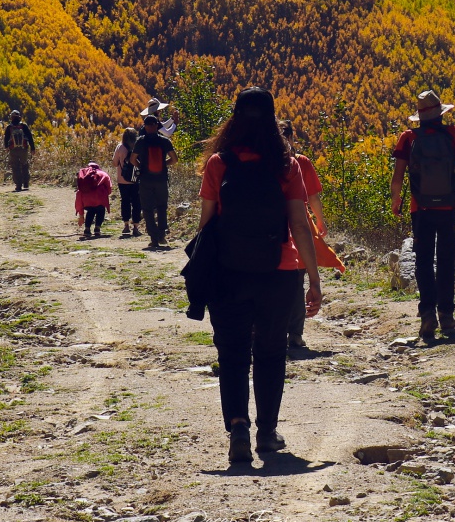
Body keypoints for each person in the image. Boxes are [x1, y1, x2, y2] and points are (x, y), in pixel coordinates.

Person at [197, 87, 322, 465]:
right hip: (278, 271)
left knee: (232, 353)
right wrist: (314, 278)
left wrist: (202, 274)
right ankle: (267, 433)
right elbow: (300, 225)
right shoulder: (287, 165)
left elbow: (205, 226)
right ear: (272, 120)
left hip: (228, 273)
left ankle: (238, 427)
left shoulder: (219, 163)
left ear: (234, 119)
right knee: (270, 353)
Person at [390, 89, 455, 341]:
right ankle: (447, 315)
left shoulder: (408, 137)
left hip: (421, 208)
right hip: (450, 207)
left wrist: (396, 200)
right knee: (447, 260)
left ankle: (427, 313)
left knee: (424, 261)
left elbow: (398, 177)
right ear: (441, 113)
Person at [279, 120, 341, 354]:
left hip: (272, 226)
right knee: (297, 282)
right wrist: (320, 220)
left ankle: (268, 330)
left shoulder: (269, 161)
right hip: (299, 227)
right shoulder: (301, 162)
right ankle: (295, 335)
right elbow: (312, 196)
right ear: (292, 138)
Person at [133, 116, 177, 249]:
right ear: (157, 126)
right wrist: (164, 165)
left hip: (146, 179)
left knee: (147, 209)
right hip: (161, 179)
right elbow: (174, 159)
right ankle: (162, 234)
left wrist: (141, 166)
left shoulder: (141, 141)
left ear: (145, 126)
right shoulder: (164, 141)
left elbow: (132, 159)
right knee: (162, 206)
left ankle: (154, 238)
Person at [113, 126, 142, 237]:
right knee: (136, 202)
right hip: (136, 180)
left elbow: (115, 163)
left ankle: (126, 225)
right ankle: (136, 226)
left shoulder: (120, 147)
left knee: (125, 201)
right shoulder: (138, 147)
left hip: (122, 180)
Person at [74, 161, 113, 239]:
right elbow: (109, 187)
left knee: (90, 211)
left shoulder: (84, 175)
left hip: (86, 199)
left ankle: (87, 229)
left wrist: (81, 215)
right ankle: (97, 228)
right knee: (101, 211)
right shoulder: (103, 174)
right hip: (100, 197)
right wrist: (106, 194)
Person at [4, 110, 36, 191]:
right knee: (24, 165)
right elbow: (29, 137)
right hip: (23, 149)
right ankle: (26, 182)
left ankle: (18, 185)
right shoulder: (24, 126)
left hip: (13, 149)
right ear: (19, 117)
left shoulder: (9, 127)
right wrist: (32, 148)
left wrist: (6, 147)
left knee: (15, 167)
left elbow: (6, 138)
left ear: (11, 117)